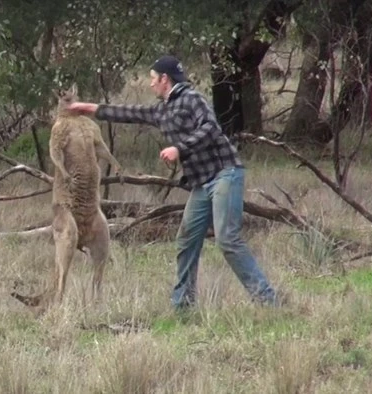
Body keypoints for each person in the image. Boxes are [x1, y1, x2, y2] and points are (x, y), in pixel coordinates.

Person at [67, 55, 278, 309]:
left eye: (153, 79)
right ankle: (183, 306)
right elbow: (130, 112)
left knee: (227, 239)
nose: (150, 84)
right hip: (201, 183)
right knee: (187, 240)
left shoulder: (192, 99)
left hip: (225, 174)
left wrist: (179, 148)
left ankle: (268, 301)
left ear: (165, 79)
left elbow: (210, 128)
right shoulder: (162, 109)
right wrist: (87, 108)